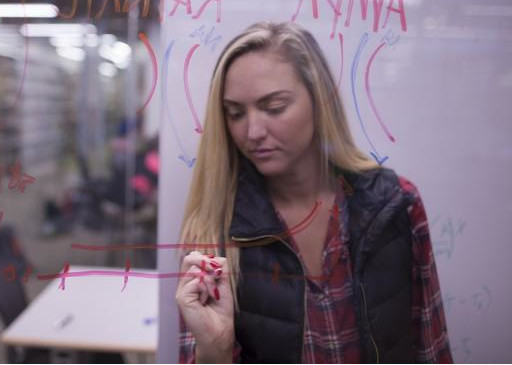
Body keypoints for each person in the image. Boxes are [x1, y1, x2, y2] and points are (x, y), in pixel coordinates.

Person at [175, 22, 452, 363]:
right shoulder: (212, 231)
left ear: (319, 100)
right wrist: (214, 350)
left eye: (274, 107)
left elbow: (432, 346)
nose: (253, 131)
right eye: (235, 113)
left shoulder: (395, 205)